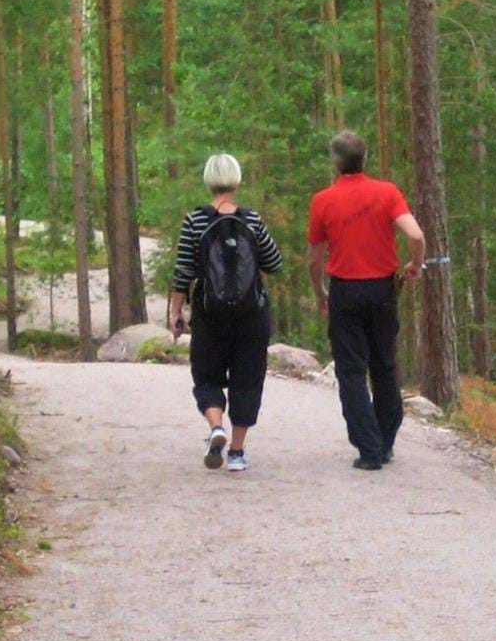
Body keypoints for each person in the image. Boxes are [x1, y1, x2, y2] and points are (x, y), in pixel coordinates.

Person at [307, 132, 425, 471]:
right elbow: (415, 235)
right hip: (383, 291)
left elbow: (314, 260)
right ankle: (385, 442)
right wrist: (414, 266)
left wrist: (320, 292)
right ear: (365, 158)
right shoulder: (387, 193)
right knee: (385, 366)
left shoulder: (323, 201)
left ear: (336, 161)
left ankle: (369, 449)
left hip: (345, 291)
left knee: (351, 371)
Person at [168, 154, 284, 473]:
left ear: (208, 180)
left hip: (210, 314)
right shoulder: (253, 220)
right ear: (236, 180)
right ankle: (236, 451)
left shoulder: (195, 221)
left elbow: (183, 272)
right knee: (247, 379)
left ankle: (215, 425)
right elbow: (274, 264)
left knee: (206, 375)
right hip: (251, 315)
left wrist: (176, 312)